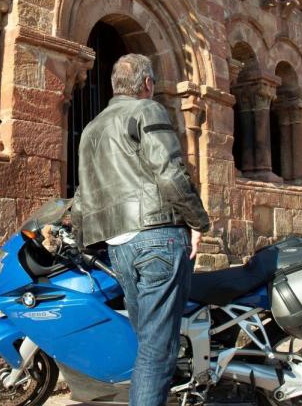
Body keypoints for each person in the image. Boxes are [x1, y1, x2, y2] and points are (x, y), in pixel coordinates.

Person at [72, 53, 210, 406]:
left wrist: (79, 242)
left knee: (147, 340)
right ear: (146, 84)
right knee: (157, 349)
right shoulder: (147, 110)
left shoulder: (91, 129)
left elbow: (83, 196)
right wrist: (199, 221)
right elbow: (170, 173)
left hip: (119, 246)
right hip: (158, 236)